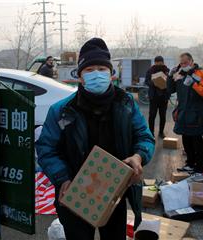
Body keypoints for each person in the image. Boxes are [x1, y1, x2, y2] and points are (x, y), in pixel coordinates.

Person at [37, 38, 155, 240]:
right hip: (75, 193)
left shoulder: (125, 104)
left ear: (111, 74)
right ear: (80, 77)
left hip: (114, 191)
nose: (96, 74)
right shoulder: (62, 111)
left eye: (102, 69)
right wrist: (62, 178)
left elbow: (144, 136)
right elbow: (47, 149)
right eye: (90, 70)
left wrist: (138, 156)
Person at [167, 52, 203, 173]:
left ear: (191, 61)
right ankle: (190, 163)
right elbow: (170, 90)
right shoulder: (180, 74)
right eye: (181, 63)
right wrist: (170, 77)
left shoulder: (201, 73)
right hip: (183, 111)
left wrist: (193, 82)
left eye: (185, 63)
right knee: (186, 139)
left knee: (196, 140)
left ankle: (199, 167)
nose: (183, 65)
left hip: (196, 112)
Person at [145, 56, 170, 138]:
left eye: (160, 63)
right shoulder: (150, 71)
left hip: (164, 97)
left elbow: (170, 83)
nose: (159, 65)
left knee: (163, 116)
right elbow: (146, 81)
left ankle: (161, 132)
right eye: (157, 63)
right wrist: (154, 83)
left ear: (163, 62)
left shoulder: (167, 71)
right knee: (152, 116)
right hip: (154, 97)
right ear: (154, 62)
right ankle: (151, 132)